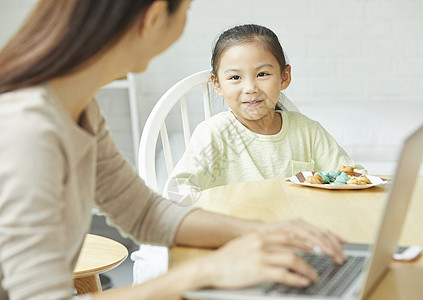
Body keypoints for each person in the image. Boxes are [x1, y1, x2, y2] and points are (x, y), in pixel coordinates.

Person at [0, 2, 347, 300]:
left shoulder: (79, 108)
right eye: (187, 8)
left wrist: (263, 231)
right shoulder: (27, 128)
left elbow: (145, 212)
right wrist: (203, 271)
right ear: (153, 18)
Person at [163, 24, 365, 204]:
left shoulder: (308, 131)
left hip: (294, 232)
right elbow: (178, 190)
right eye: (235, 77)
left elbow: (354, 175)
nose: (250, 88)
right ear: (217, 84)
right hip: (235, 233)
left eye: (262, 74)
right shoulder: (214, 133)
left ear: (284, 77)